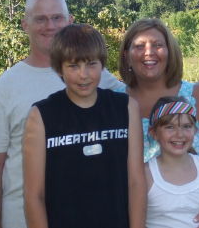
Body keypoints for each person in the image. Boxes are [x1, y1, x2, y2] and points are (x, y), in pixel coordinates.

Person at [0, 0, 124, 228]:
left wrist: (191, 91)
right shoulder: (5, 88)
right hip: (21, 219)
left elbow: (143, 104)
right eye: (40, 19)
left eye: (57, 17)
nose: (50, 25)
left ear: (70, 21)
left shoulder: (98, 77)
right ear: (25, 24)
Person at [118, 18, 199, 228]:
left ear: (170, 51)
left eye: (158, 45)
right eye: (139, 46)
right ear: (126, 55)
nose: (149, 52)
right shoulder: (114, 102)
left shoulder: (198, 96)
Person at [23, 24, 146, 228]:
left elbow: (136, 182)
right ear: (58, 68)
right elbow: (34, 195)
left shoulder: (126, 107)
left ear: (102, 64)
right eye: (73, 66)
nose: (83, 74)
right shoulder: (41, 115)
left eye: (91, 64)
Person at [146, 96, 199, 228]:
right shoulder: (145, 175)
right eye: (170, 127)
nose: (180, 134)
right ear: (154, 133)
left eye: (186, 126)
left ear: (195, 130)